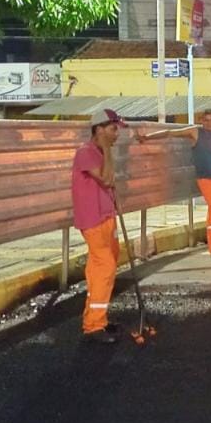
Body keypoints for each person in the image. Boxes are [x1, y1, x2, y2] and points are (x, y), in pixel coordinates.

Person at [138, 109, 211, 260]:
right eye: (206, 120)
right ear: (201, 120)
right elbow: (169, 133)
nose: (209, 123)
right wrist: (147, 137)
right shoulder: (194, 132)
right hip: (206, 179)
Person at [71, 108, 126, 344]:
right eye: (113, 129)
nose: (117, 135)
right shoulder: (86, 152)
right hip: (93, 219)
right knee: (105, 267)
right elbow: (106, 179)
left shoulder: (98, 153)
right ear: (100, 129)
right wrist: (105, 147)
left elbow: (108, 181)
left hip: (105, 217)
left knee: (100, 267)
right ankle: (94, 325)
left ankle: (96, 318)